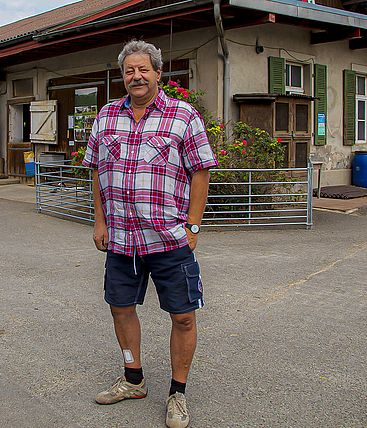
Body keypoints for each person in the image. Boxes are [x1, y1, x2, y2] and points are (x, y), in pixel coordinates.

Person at [81, 40, 217, 428]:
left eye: (143, 70)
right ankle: (133, 380)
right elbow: (96, 171)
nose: (136, 76)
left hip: (169, 238)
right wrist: (100, 221)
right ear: (123, 76)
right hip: (121, 238)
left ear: (158, 73)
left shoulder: (183, 116)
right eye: (129, 71)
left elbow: (201, 172)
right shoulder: (106, 116)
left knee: (184, 317)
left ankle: (178, 393)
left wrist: (193, 226)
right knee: (120, 309)